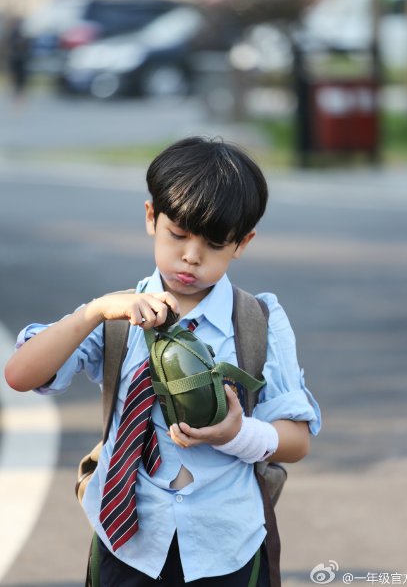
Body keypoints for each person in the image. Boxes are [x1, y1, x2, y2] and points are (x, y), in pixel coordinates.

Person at [4, 136, 321, 587]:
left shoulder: (258, 321)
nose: (191, 256)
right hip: (126, 544)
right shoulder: (117, 316)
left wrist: (237, 433)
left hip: (225, 546)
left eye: (213, 243)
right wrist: (93, 312)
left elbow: (297, 440)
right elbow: (19, 374)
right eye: (178, 234)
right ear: (152, 217)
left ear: (242, 243)